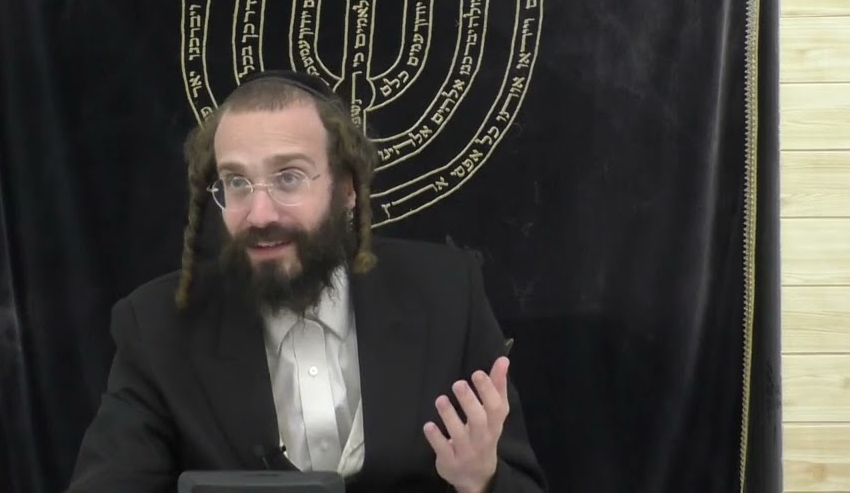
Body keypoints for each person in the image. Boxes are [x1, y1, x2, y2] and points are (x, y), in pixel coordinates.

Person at [66, 70, 548, 493]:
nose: (259, 213)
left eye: (289, 177)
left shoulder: (448, 296)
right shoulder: (156, 327)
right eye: (237, 182)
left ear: (347, 188)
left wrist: (481, 480)